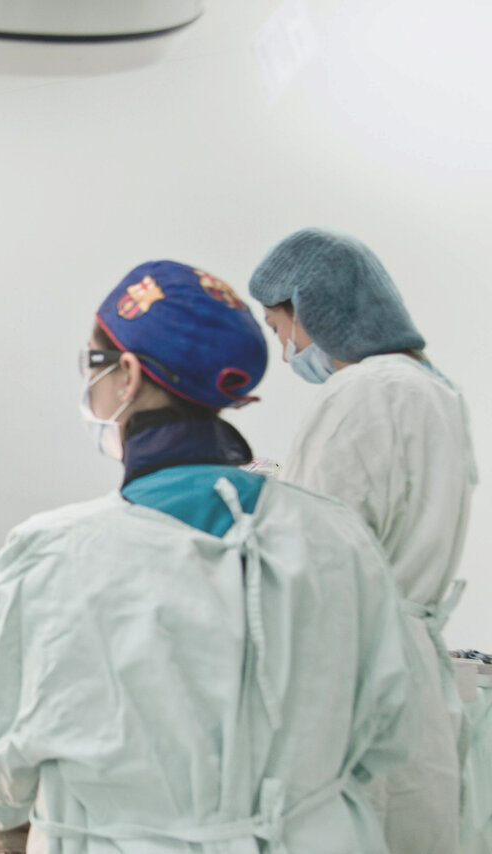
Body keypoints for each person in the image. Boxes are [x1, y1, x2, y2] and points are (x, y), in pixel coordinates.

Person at [0, 260, 420, 852]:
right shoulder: (336, 537)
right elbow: (383, 734)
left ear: (125, 374)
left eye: (92, 366)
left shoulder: (50, 556)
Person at [249, 226, 479, 854]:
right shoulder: (434, 389)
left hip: (356, 674)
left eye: (278, 328)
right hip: (411, 676)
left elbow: (312, 553)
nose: (286, 347)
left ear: (309, 308)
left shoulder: (362, 390)